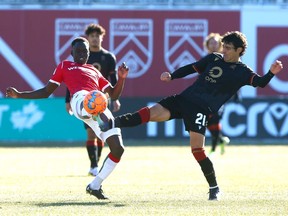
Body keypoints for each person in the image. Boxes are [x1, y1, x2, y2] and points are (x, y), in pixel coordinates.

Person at [96, 31, 283, 201]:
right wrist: (172, 76)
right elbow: (192, 68)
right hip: (184, 99)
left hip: (201, 110)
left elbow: (260, 82)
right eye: (223, 46)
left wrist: (271, 73)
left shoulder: (243, 72)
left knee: (197, 150)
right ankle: (113, 122)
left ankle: (214, 188)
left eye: (228, 48)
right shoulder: (213, 58)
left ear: (239, 50)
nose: (224, 50)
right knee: (150, 113)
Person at [6, 37, 129, 200]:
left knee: (118, 149)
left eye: (84, 51)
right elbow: (46, 92)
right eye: (78, 51)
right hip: (80, 100)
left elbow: (113, 94)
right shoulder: (65, 66)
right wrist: (19, 95)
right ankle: (99, 117)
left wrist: (121, 78)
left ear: (88, 53)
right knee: (95, 99)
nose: (81, 54)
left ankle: (95, 185)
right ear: (71, 53)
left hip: (98, 104)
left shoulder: (93, 70)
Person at [65, 24, 120, 176]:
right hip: (85, 100)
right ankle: (93, 165)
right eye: (92, 36)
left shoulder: (109, 57)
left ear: (102, 37)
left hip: (103, 99)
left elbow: (113, 80)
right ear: (88, 38)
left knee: (102, 131)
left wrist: (115, 99)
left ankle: (98, 161)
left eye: (98, 36)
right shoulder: (83, 55)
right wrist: (67, 100)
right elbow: (71, 80)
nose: (95, 39)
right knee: (91, 133)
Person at [203, 32, 237, 155]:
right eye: (211, 43)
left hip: (220, 96)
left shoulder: (226, 59)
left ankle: (212, 150)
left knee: (215, 118)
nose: (213, 45)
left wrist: (236, 93)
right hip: (207, 96)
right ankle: (221, 140)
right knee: (208, 122)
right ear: (207, 45)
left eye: (216, 43)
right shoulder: (206, 60)